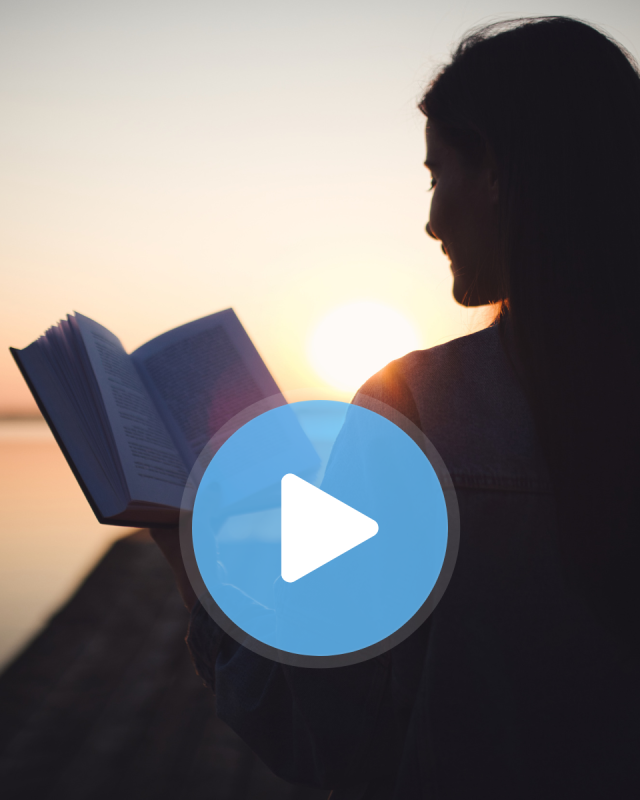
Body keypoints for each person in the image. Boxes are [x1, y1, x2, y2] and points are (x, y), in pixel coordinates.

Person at [152, 16, 640, 799]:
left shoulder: (415, 408)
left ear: (498, 173)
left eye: (436, 174)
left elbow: (326, 731)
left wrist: (186, 555)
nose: (431, 219)